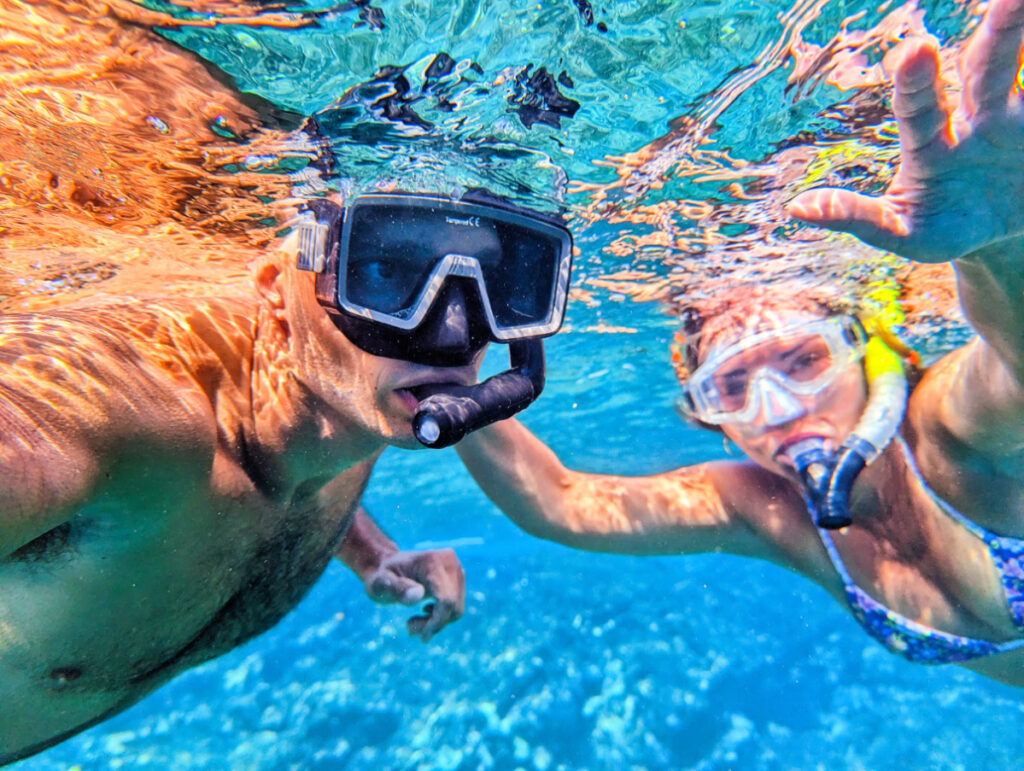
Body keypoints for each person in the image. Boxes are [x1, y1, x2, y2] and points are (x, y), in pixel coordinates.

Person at [0, 4, 576, 762]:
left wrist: (372, 555)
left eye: (501, 281)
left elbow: (268, 482)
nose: (450, 328)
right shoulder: (120, 423)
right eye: (385, 269)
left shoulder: (357, 408)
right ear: (275, 286)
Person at [456, 0, 1024, 687]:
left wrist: (1000, 246)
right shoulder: (770, 509)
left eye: (805, 360)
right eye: (731, 387)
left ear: (860, 346)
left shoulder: (943, 431)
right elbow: (563, 501)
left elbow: (1013, 363)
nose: (777, 409)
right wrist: (446, 369)